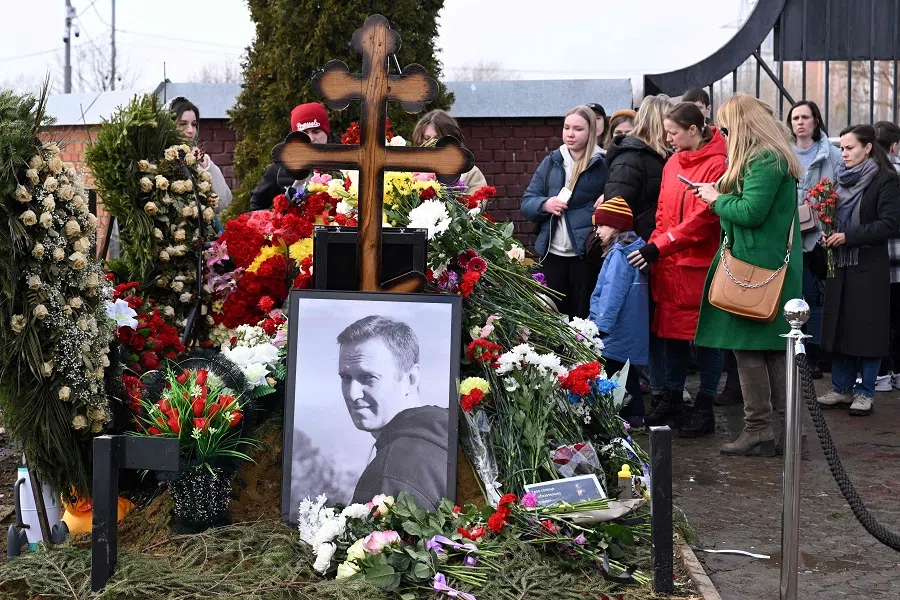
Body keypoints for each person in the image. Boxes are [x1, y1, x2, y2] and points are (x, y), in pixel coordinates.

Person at [693, 93, 803, 456]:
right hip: (762, 266)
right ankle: (777, 432)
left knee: (756, 349)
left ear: (740, 126)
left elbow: (751, 212)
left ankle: (766, 430)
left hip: (757, 270)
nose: (721, 134)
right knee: (767, 350)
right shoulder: (770, 156)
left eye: (725, 127)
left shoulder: (764, 159)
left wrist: (714, 198)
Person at [628, 102, 727, 437]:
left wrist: (660, 245)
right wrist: (656, 244)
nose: (667, 138)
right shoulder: (672, 163)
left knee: (708, 337)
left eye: (673, 132)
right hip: (670, 262)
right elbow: (663, 213)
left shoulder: (718, 165)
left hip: (698, 265)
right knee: (670, 334)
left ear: (694, 130)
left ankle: (704, 406)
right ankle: (670, 398)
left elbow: (703, 221)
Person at [816, 125, 900, 417]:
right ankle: (841, 388)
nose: (844, 153)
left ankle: (866, 392)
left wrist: (849, 236)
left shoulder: (885, 179)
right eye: (842, 148)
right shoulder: (839, 179)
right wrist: (827, 231)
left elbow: (890, 224)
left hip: (868, 264)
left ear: (867, 148)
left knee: (867, 328)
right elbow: (832, 214)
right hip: (840, 262)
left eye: (850, 148)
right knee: (840, 324)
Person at [337, 315, 448, 510]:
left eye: (368, 377)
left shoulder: (391, 472)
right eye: (346, 377)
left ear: (411, 379)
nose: (352, 394)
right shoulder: (448, 439)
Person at [521, 105, 609, 319]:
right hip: (552, 256)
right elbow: (527, 201)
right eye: (566, 127)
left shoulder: (604, 162)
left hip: (586, 256)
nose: (570, 134)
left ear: (591, 131)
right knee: (552, 319)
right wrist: (545, 204)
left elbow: (619, 200)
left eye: (578, 129)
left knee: (584, 318)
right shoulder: (551, 161)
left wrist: (607, 200)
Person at [787, 100, 842, 377]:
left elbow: (840, 191)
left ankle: (819, 354)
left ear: (815, 121)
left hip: (821, 236)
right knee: (795, 296)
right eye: (795, 117)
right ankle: (799, 353)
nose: (800, 122)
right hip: (789, 235)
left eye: (805, 117)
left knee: (817, 296)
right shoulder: (782, 152)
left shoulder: (832, 154)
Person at [588, 197, 650, 428]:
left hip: (616, 326)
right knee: (627, 370)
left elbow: (612, 293)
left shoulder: (619, 254)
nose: (597, 231)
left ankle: (627, 417)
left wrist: (599, 325)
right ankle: (635, 416)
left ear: (616, 226)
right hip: (628, 326)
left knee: (615, 371)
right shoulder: (631, 250)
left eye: (602, 225)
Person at [602, 95, 671, 241]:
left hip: (653, 244)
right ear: (659, 123)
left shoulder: (658, 155)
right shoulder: (630, 158)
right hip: (637, 249)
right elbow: (616, 214)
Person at [249, 102, 333, 211]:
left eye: (316, 131)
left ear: (327, 132)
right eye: (304, 133)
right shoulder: (280, 167)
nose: (311, 138)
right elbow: (257, 204)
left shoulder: (346, 160)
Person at [170, 97, 235, 214]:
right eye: (183, 124)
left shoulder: (201, 159)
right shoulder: (158, 159)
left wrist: (206, 166)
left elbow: (224, 203)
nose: (190, 130)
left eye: (194, 124)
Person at [874, 121, 900, 391]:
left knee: (879, 318)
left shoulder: (872, 173)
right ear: (894, 145)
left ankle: (880, 372)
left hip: (877, 259)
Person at [412, 109, 487, 193]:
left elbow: (478, 201)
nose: (432, 144)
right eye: (427, 138)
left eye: (438, 138)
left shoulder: (470, 172)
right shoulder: (409, 171)